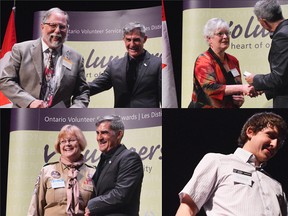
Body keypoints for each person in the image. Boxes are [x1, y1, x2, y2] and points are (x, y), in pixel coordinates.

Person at [176, 112, 288, 216]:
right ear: (250, 132)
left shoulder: (276, 186)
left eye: (280, 141)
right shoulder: (218, 162)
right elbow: (187, 207)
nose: (275, 144)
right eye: (271, 135)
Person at [0, 7, 89, 108]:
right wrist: (29, 102)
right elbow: (5, 81)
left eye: (62, 27)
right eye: (53, 25)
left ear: (67, 29)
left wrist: (74, 110)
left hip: (59, 119)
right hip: (25, 117)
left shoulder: (76, 58)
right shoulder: (21, 50)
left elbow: (82, 92)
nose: (57, 30)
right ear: (42, 26)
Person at [89, 22, 161, 108]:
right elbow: (94, 87)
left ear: (144, 39)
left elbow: (166, 98)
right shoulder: (114, 66)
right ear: (123, 39)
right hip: (122, 116)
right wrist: (70, 88)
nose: (132, 44)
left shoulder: (157, 64)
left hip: (148, 116)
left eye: (136, 40)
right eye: (128, 40)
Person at [27, 124, 95, 215]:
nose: (67, 144)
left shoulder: (93, 173)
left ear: (80, 143)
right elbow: (35, 206)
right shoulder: (47, 171)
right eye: (63, 141)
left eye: (72, 140)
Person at [189, 18, 257, 108]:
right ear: (209, 39)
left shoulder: (233, 60)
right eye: (220, 34)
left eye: (227, 33)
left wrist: (239, 99)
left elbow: (236, 89)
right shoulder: (203, 60)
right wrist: (242, 88)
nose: (225, 37)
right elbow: (210, 88)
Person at [85, 115, 143, 216]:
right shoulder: (105, 158)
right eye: (97, 133)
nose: (99, 138)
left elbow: (120, 195)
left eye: (104, 133)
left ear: (119, 134)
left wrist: (91, 205)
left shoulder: (129, 158)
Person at [245, 0, 288, 108]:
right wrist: (264, 87)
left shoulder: (282, 36)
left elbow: (279, 78)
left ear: (263, 21)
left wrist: (255, 79)